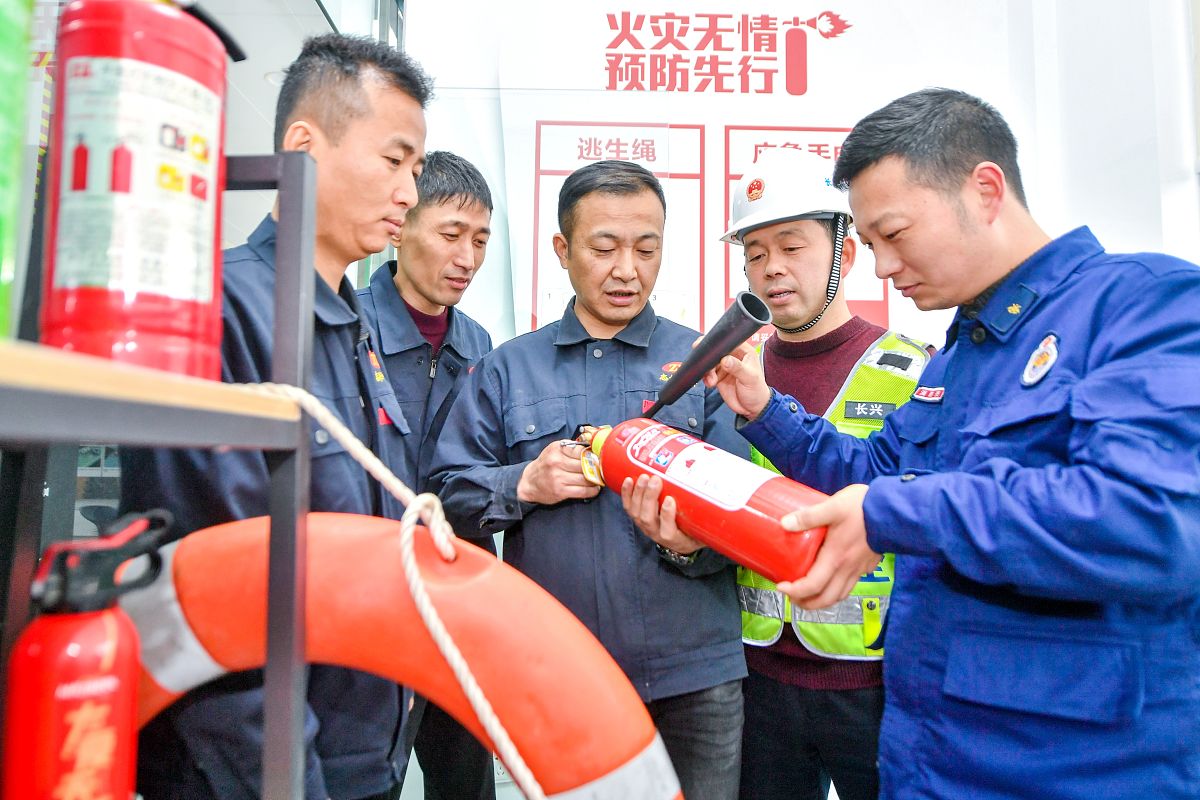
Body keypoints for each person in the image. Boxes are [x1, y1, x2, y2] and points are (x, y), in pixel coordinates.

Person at [706, 88, 1200, 800]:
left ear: (985, 189)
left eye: (894, 234)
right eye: (870, 245)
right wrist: (767, 412)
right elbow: (874, 475)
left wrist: (897, 515)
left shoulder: (1147, 307)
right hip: (933, 755)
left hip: (1080, 766)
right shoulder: (958, 357)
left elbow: (1149, 517)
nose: (880, 267)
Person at [119, 34, 431, 800]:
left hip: (360, 754)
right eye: (394, 162)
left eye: (417, 170)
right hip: (266, 769)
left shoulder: (355, 327)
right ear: (303, 146)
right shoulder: (220, 309)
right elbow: (215, 598)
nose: (410, 195)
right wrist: (288, 779)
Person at [429, 160, 748, 799]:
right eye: (604, 248)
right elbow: (444, 491)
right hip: (557, 676)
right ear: (563, 251)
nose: (626, 269)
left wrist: (690, 542)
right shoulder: (506, 369)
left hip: (694, 679)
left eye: (646, 249)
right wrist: (524, 482)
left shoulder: (705, 365)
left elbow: (744, 505)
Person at [721, 148, 929, 800]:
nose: (772, 267)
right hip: (759, 680)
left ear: (843, 254)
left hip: (874, 683)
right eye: (755, 253)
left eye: (792, 246)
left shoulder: (909, 371)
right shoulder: (730, 372)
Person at [357, 150, 496, 800]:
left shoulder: (482, 346)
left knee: (466, 781)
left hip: (458, 607)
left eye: (480, 240)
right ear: (403, 223)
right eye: (451, 234)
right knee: (364, 778)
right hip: (365, 605)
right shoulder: (345, 328)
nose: (467, 257)